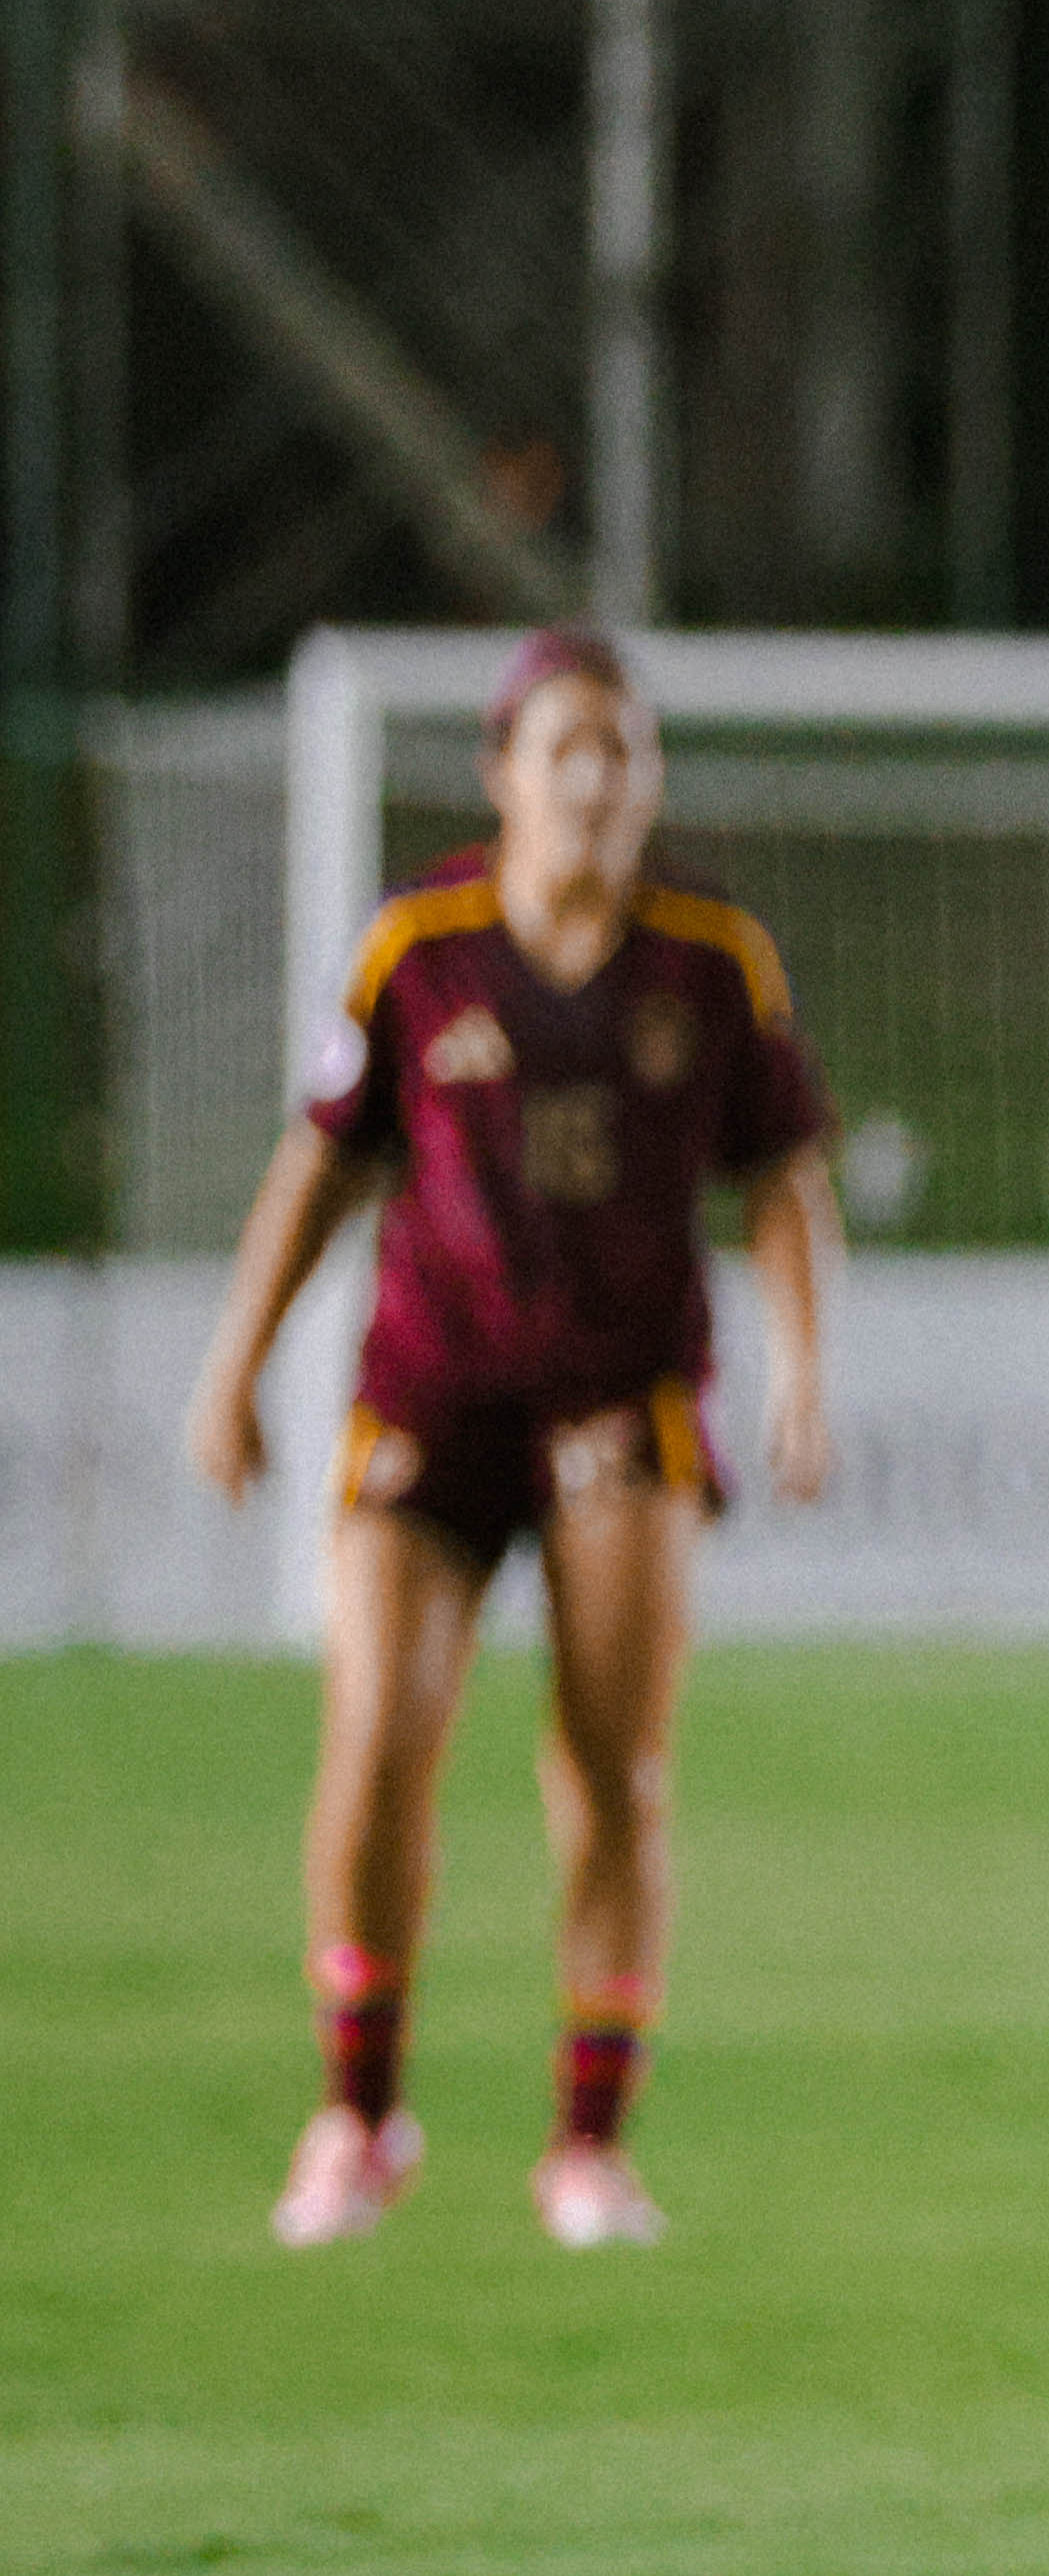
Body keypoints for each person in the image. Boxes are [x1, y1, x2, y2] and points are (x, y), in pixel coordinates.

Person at [184, 625, 839, 2257]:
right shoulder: (421, 948)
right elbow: (323, 1167)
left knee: (614, 1768)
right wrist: (237, 1361)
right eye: (570, 748)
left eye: (627, 749)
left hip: (626, 1399)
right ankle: (356, 2113)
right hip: (433, 1391)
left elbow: (780, 1176)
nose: (602, 779)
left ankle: (589, 2146)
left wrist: (802, 1369)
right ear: (504, 773)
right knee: (380, 1736)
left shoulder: (711, 959)